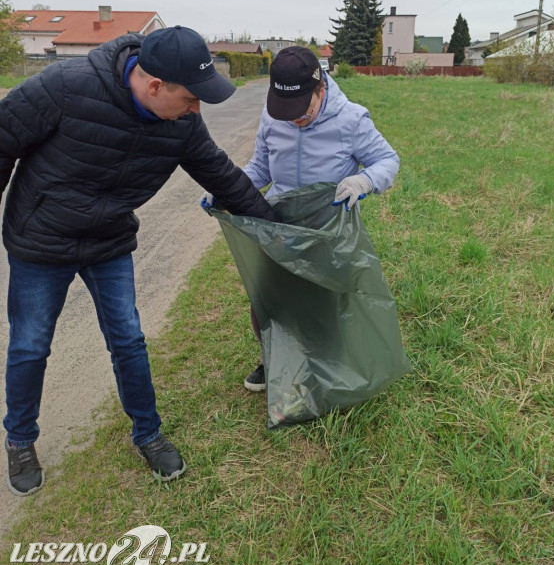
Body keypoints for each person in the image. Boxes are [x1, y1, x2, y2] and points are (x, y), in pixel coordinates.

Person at [0, 25, 278, 496]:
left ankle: (147, 433)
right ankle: (20, 440)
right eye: (192, 99)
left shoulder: (182, 124)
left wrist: (275, 227)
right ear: (154, 87)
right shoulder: (64, 87)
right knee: (30, 345)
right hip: (42, 240)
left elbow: (223, 176)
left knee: (128, 338)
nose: (196, 110)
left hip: (108, 240)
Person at [203, 45, 399, 391]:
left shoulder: (351, 120)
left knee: (325, 299)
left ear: (320, 87)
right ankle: (274, 360)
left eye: (301, 110)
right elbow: (261, 169)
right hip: (278, 223)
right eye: (285, 111)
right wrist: (227, 190)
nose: (294, 119)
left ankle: (330, 365)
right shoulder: (271, 116)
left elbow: (387, 160)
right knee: (268, 297)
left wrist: (365, 180)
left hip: (327, 227)